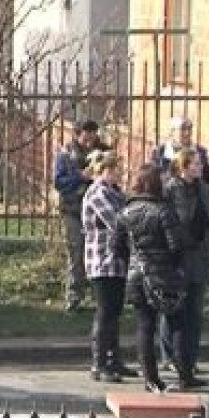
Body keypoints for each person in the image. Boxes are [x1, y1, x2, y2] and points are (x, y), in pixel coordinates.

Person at [116, 164, 189, 393]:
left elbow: (117, 247)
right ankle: (184, 372)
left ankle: (150, 377)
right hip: (163, 272)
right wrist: (176, 268)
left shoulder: (125, 212)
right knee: (177, 322)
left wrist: (133, 261)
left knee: (145, 324)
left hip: (137, 273)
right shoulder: (163, 210)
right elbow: (176, 245)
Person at [161, 149, 209, 381]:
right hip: (177, 256)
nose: (200, 167)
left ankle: (190, 358)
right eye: (196, 164)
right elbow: (167, 222)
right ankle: (170, 357)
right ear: (183, 167)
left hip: (198, 255)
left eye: (200, 163)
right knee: (174, 309)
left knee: (195, 311)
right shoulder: (169, 189)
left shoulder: (205, 191)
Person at [81, 151, 134, 382]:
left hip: (117, 260)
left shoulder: (114, 193)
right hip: (101, 260)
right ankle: (99, 362)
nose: (119, 174)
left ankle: (114, 359)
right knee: (105, 312)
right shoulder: (97, 193)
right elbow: (118, 221)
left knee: (115, 312)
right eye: (114, 170)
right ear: (102, 171)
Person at [53, 120, 109, 311]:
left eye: (93, 138)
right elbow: (59, 182)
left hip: (99, 211)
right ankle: (74, 296)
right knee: (77, 252)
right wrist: (81, 177)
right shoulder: (66, 153)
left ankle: (99, 296)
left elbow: (114, 176)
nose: (89, 143)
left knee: (101, 253)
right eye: (86, 138)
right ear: (77, 135)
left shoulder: (104, 152)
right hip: (73, 210)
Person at [151, 116, 209, 186]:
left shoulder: (201, 152)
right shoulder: (160, 152)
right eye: (183, 129)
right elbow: (153, 179)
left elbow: (208, 181)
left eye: (189, 128)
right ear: (172, 131)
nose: (187, 133)